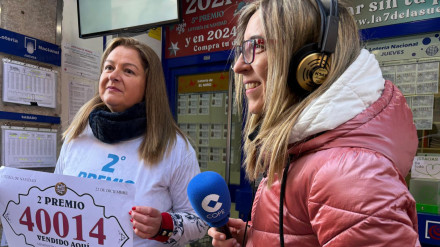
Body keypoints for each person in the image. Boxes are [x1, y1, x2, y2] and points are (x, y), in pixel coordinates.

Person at [208, 0, 420, 246]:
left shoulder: (347, 175)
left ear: (310, 63)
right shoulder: (310, 153)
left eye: (257, 46)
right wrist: (254, 239)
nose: (238, 66)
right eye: (243, 49)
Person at [55, 37, 208, 246]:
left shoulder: (175, 147)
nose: (114, 76)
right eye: (109, 67)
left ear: (149, 85)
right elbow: (57, 201)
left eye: (128, 71)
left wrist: (162, 225)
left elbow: (199, 222)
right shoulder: (77, 135)